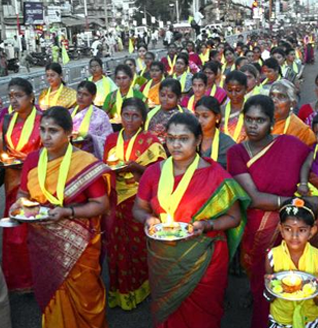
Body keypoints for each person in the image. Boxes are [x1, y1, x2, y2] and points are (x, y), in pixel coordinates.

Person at [133, 112, 250, 328]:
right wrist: (148, 219)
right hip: (164, 257)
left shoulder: (216, 175)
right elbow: (138, 209)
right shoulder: (152, 173)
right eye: (171, 138)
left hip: (205, 258)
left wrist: (208, 225)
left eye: (183, 138)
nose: (176, 144)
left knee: (202, 315)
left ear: (198, 140)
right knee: (169, 312)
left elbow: (234, 217)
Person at [10, 106, 110, 328]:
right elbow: (24, 193)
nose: (45, 136)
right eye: (42, 129)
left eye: (53, 131)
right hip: (42, 239)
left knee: (84, 293)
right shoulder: (33, 159)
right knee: (51, 292)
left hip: (79, 242)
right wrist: (19, 204)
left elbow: (101, 204)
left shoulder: (84, 162)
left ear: (68, 134)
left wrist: (68, 212)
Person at [227, 95, 312, 328]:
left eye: (260, 120)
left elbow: (309, 154)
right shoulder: (237, 153)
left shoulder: (288, 143)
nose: (253, 125)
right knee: (264, 281)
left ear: (272, 121)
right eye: (249, 119)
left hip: (293, 230)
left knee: (295, 282)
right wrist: (296, 202)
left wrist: (303, 180)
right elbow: (255, 198)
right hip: (258, 229)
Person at [104, 98, 166, 311]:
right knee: (115, 245)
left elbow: (157, 175)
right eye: (126, 115)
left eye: (135, 116)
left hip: (138, 197)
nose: (129, 120)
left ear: (143, 119)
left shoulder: (151, 141)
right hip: (114, 197)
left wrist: (134, 167)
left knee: (137, 246)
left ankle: (141, 287)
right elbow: (106, 167)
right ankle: (119, 290)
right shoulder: (112, 139)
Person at [0, 78, 42, 292]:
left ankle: (40, 278)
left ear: (31, 97)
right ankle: (20, 281)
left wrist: (29, 162)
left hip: (36, 182)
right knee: (15, 231)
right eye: (11, 96)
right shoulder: (7, 120)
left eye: (18, 95)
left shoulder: (43, 120)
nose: (13, 100)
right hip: (12, 180)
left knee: (36, 229)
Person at [265, 197, 318, 328]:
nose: (294, 236)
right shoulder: (272, 256)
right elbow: (270, 297)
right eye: (288, 229)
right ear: (281, 230)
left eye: (301, 230)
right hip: (281, 319)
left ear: (312, 231)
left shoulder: (316, 257)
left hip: (310, 319)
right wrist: (268, 286)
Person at [71, 81, 113, 159]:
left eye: (85, 94)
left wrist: (92, 138)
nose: (80, 97)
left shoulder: (101, 115)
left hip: (91, 157)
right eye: (79, 93)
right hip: (70, 154)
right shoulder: (68, 113)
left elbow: (108, 140)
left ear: (93, 97)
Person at [270, 79, 316, 146]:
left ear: (292, 103)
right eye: (271, 95)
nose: (274, 100)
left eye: (281, 96)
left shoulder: (303, 131)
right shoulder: (259, 122)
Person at [144, 78, 190, 146]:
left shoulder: (186, 115)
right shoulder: (150, 113)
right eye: (162, 95)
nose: (165, 99)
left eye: (170, 96)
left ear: (179, 97)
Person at [195, 96, 235, 169]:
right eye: (197, 116)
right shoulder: (192, 139)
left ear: (217, 117)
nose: (199, 120)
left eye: (205, 116)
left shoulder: (227, 144)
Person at [103, 64, 145, 129]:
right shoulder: (111, 96)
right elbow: (104, 116)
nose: (121, 81)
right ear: (115, 80)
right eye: (118, 78)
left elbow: (144, 116)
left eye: (124, 78)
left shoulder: (138, 95)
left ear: (131, 79)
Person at [220, 70, 248, 143]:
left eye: (238, 90)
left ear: (246, 89)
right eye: (229, 90)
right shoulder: (221, 110)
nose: (233, 94)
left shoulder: (251, 110)